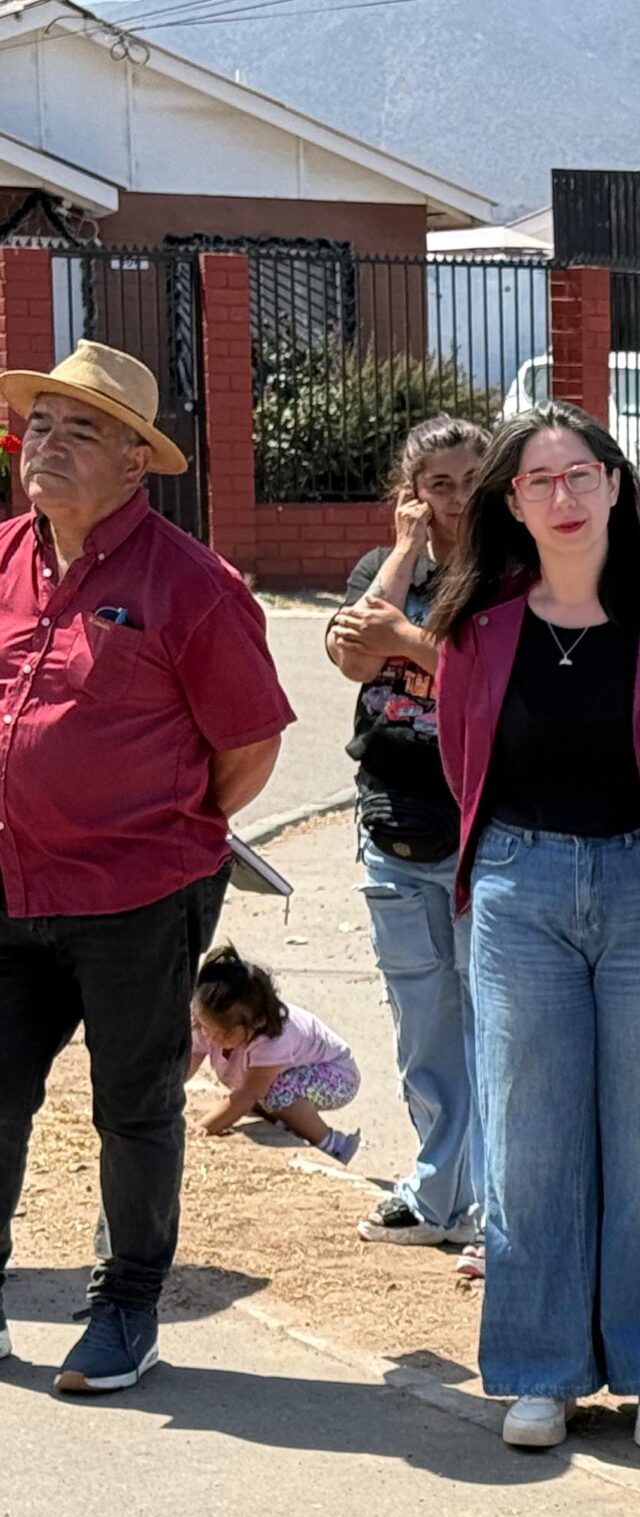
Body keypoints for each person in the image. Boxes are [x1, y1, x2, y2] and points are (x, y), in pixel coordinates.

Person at [428, 403, 640, 1454]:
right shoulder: (477, 623)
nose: (561, 498)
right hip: (520, 889)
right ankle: (536, 1370)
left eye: (579, 475)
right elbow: (462, 762)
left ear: (614, 484)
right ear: (510, 503)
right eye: (537, 482)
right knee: (529, 1138)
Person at [0, 341, 292, 1393]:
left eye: (82, 430)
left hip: (136, 895)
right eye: (41, 424)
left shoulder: (191, 583)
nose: (50, 445)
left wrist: (165, 830)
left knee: (131, 1106)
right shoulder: (1, 559)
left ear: (135, 461)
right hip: (6, 889)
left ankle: (126, 1306)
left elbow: (250, 745)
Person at [326, 415, 489, 1269]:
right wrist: (401, 554)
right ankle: (438, 1194)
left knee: (493, 1025)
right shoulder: (384, 572)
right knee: (423, 1026)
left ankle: (496, 1206)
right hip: (394, 827)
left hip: (480, 833)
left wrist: (404, 644)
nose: (457, 499)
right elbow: (354, 653)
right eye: (440, 484)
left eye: (470, 479)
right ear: (412, 494)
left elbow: (496, 681)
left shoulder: (511, 572)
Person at [188, 945, 362, 1163]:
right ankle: (287, 1121)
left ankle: (333, 1144)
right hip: (294, 1072)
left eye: (224, 1034)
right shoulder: (210, 1022)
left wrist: (203, 1127)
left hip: (336, 1077)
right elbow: (189, 1060)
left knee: (276, 1092)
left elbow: (245, 1096)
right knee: (263, 1093)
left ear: (258, 1020)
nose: (212, 1038)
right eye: (206, 1028)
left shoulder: (273, 1040)